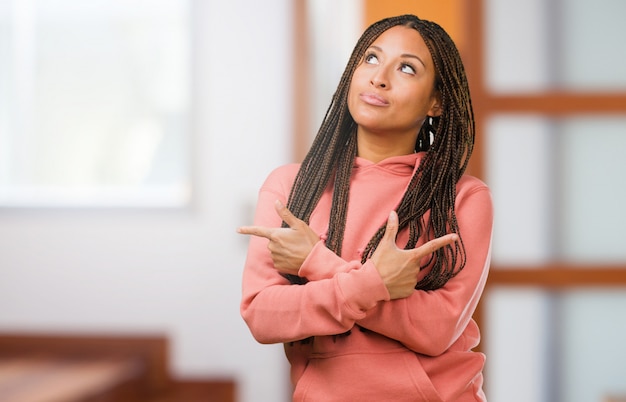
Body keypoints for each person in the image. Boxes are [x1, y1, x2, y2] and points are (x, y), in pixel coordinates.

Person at [238, 13, 493, 402]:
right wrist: (372, 284)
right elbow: (262, 315)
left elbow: (437, 328)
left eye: (407, 68)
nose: (379, 77)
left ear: (436, 101)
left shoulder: (462, 197)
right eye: (371, 59)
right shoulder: (291, 187)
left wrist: (318, 263)